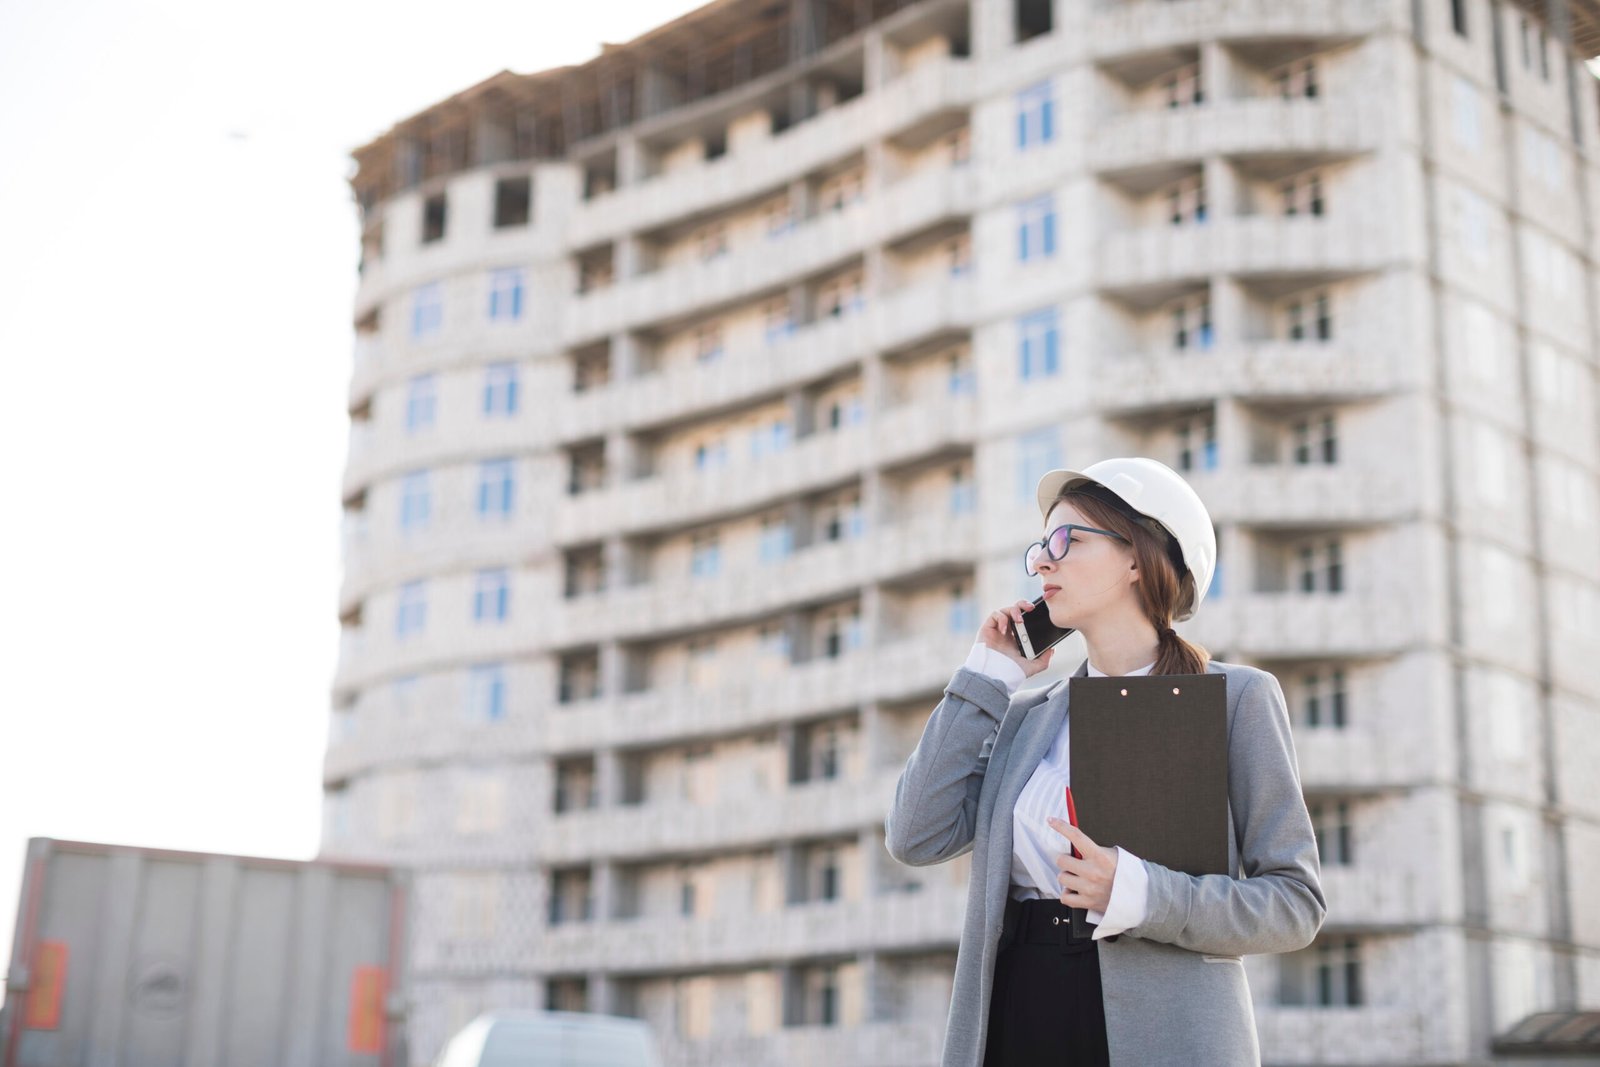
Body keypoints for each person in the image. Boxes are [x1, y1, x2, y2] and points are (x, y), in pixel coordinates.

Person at [884, 457, 1326, 1067]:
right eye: (1040, 546)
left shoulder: (1237, 700)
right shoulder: (1026, 718)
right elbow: (915, 836)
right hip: (1022, 1009)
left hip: (1165, 1028)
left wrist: (1141, 893)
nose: (1042, 561)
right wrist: (987, 678)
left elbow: (1293, 906)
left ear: (1138, 558)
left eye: (1066, 540)